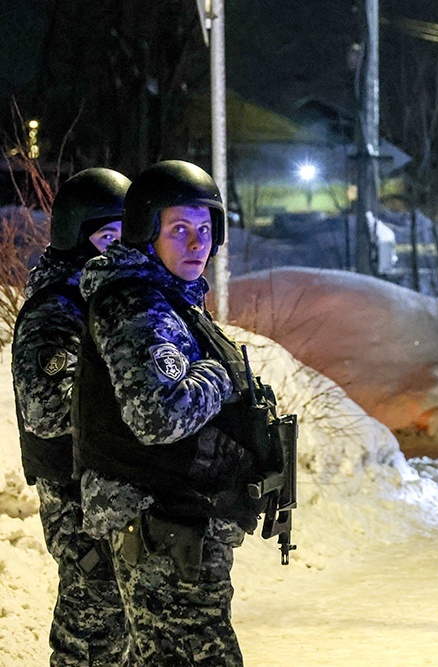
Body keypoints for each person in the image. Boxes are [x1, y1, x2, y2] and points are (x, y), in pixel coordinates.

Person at [74, 160, 266, 666]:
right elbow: (158, 417)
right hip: (159, 523)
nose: (197, 243)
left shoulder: (169, 302)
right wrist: (221, 374)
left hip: (177, 520)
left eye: (205, 229)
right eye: (179, 229)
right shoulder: (137, 307)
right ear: (145, 232)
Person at [11, 167, 131, 666]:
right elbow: (46, 411)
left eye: (127, 238)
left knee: (125, 632)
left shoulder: (106, 301)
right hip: (73, 495)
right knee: (90, 634)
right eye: (108, 238)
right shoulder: (56, 311)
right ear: (76, 238)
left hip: (108, 487)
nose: (119, 251)